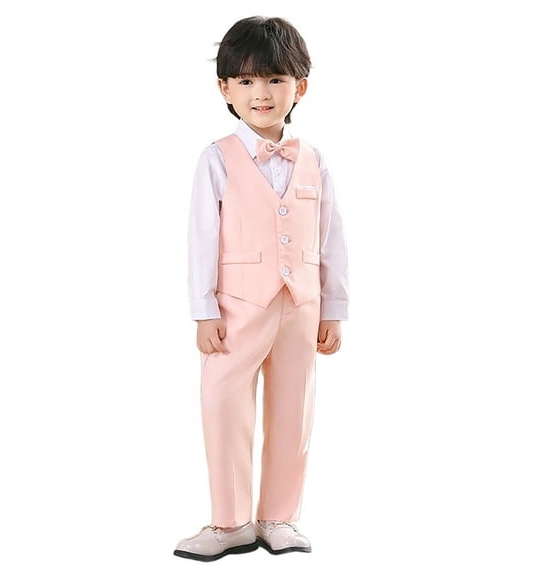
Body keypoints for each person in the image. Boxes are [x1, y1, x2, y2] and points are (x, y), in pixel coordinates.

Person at [174, 15, 349, 562]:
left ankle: (279, 517)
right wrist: (203, 309)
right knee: (224, 405)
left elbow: (331, 236)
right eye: (246, 81)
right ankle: (229, 522)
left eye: (275, 79)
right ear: (225, 89)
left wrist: (334, 307)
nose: (262, 93)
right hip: (236, 308)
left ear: (301, 86)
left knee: (293, 409)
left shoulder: (314, 159)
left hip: (302, 306)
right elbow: (201, 238)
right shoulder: (216, 158)